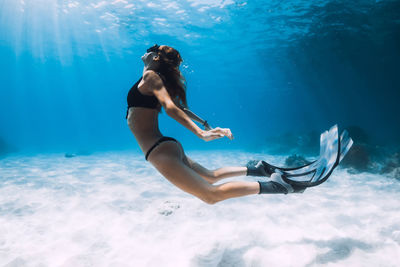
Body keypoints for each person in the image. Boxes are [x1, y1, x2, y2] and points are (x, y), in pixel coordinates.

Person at [126, 44, 307, 205]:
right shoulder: (150, 77)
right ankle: (260, 169)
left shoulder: (151, 76)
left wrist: (201, 133)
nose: (146, 51)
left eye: (151, 49)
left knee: (210, 195)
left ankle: (277, 186)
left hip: (157, 150)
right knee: (211, 177)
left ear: (155, 56)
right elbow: (182, 108)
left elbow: (171, 109)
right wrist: (205, 124)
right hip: (163, 146)